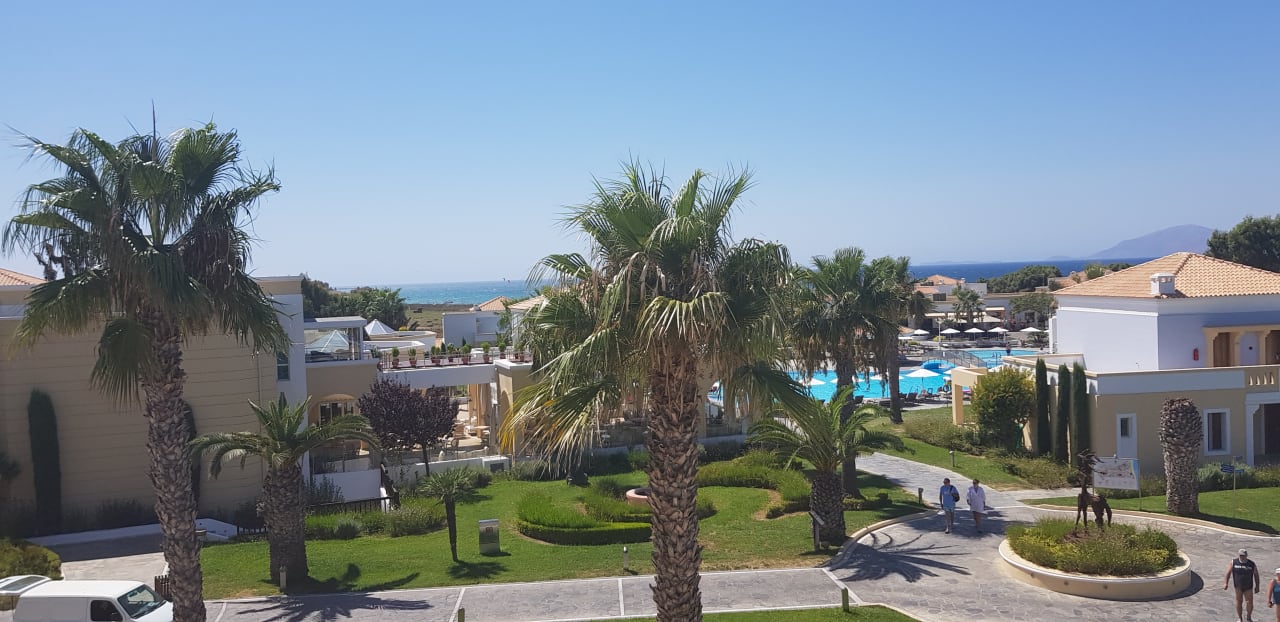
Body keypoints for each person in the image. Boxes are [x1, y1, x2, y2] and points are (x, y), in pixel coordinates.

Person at [1226, 548, 1261, 622]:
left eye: (1243, 555)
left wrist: (1257, 586)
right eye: (1241, 555)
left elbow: (1256, 575)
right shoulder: (1234, 562)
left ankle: (1249, 616)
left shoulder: (1251, 564)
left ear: (1246, 555)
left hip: (1248, 587)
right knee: (1239, 602)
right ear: (1238, 555)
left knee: (1249, 602)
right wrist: (1226, 583)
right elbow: (1228, 573)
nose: (1242, 557)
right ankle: (1240, 618)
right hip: (1238, 587)